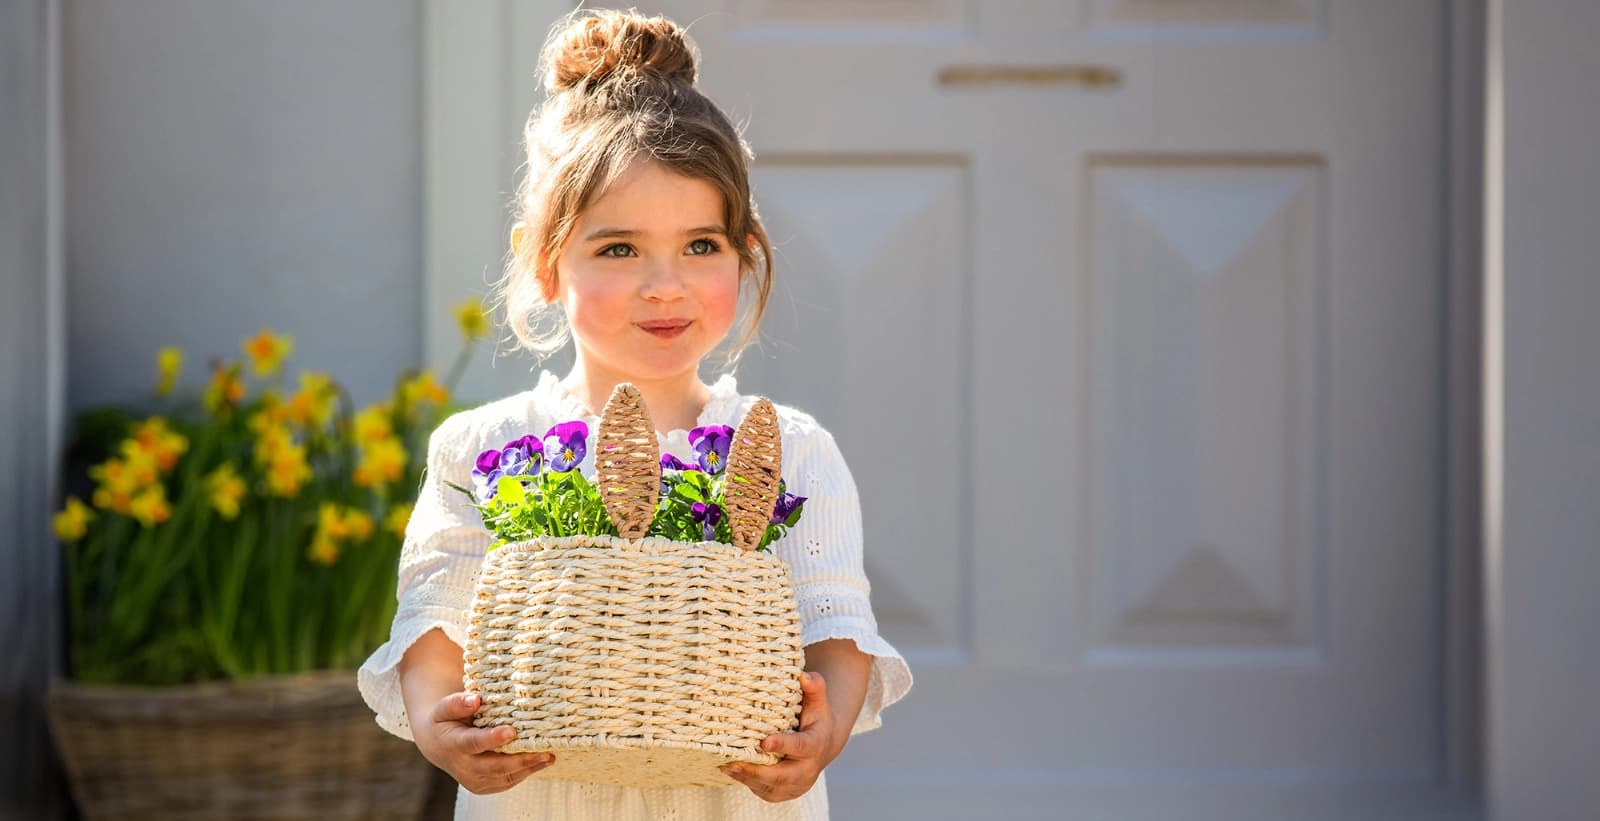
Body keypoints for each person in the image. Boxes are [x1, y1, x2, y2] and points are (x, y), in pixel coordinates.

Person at [356, 8, 912, 820]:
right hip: (543, 797)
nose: (665, 284)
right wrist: (444, 728)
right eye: (618, 248)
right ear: (544, 263)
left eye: (701, 246)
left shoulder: (788, 450)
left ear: (744, 251)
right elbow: (436, 616)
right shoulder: (486, 446)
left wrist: (818, 734)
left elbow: (835, 623)